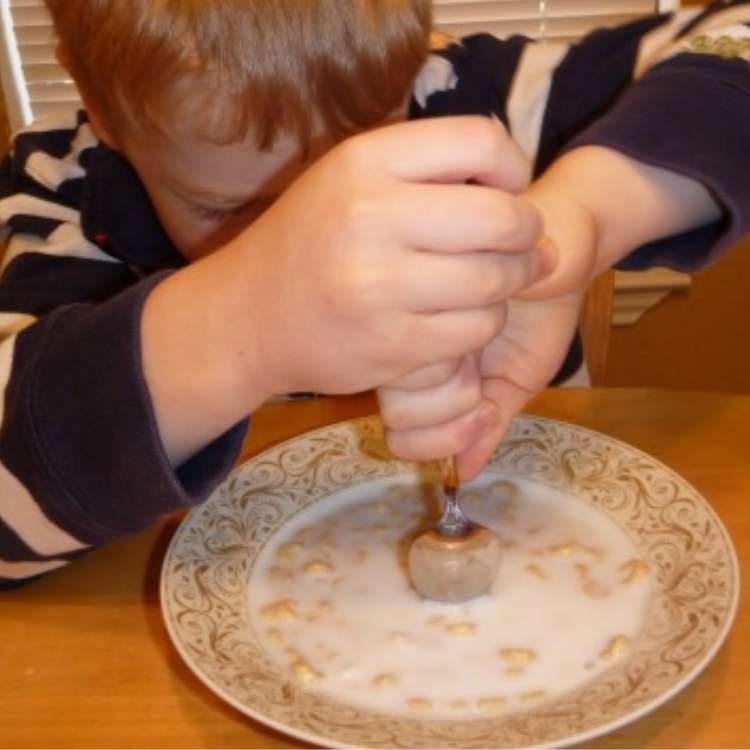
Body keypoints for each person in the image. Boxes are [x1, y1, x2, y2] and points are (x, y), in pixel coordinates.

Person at [1, 0, 748, 586]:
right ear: (100, 103)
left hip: (542, 564)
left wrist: (582, 216)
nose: (335, 254)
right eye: (230, 210)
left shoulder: (466, 100)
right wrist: (242, 321)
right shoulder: (63, 201)